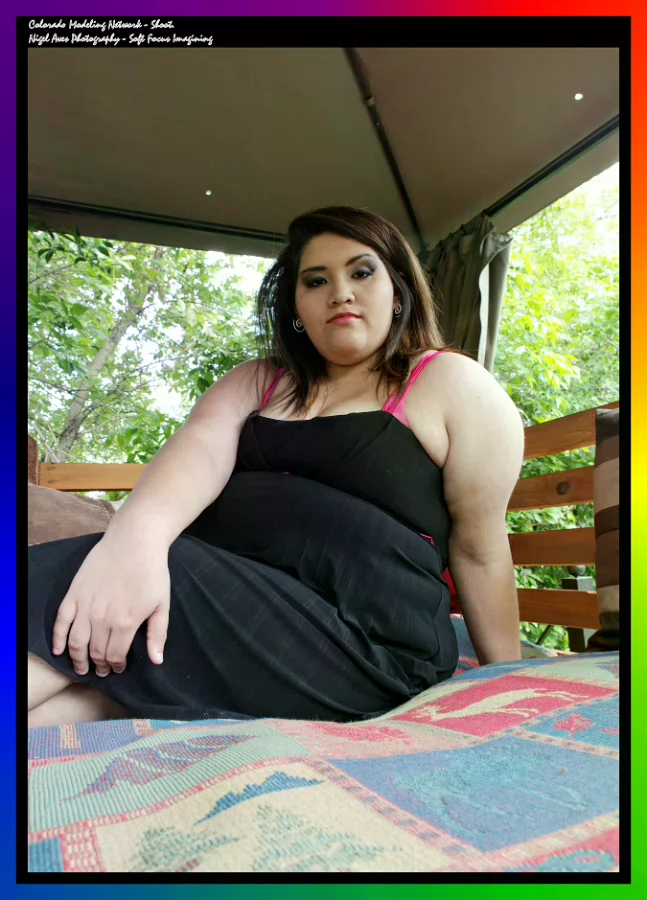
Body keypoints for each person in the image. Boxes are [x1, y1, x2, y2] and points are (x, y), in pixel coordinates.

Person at [28, 206, 524, 729]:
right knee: (103, 656)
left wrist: (508, 681)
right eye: (316, 280)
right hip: (238, 614)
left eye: (361, 272)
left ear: (398, 291)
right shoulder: (258, 381)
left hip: (368, 643)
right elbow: (199, 449)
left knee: (81, 575)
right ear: (295, 307)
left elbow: (479, 549)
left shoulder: (451, 384)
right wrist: (136, 543)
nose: (340, 292)